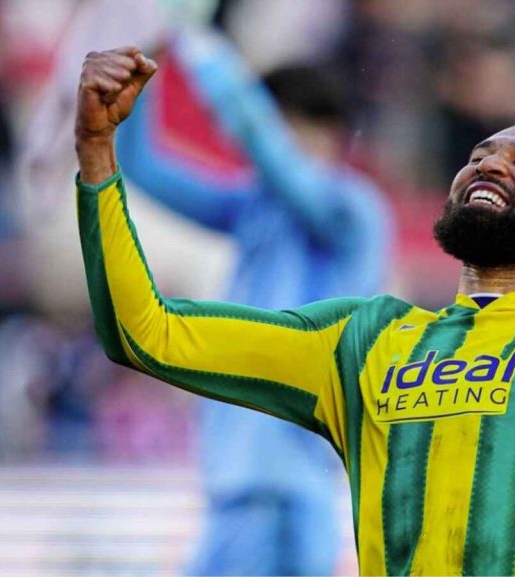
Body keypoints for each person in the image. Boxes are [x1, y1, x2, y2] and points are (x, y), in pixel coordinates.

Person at [74, 46, 515, 576]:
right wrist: (98, 153)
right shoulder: (365, 339)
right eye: (477, 157)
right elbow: (147, 332)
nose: (489, 163)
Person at [113, 30, 390, 575]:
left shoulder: (352, 210)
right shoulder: (252, 208)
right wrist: (141, 75)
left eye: (281, 124)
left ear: (328, 133)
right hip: (234, 489)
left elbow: (263, 145)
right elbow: (144, 169)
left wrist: (196, 45)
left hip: (289, 489)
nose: (266, 143)